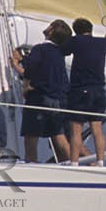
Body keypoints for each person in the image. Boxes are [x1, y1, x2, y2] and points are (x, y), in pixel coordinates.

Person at [12, 20, 71, 163]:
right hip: (58, 100)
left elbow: (30, 71)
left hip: (39, 99)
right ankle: (74, 164)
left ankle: (31, 165)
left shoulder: (40, 49)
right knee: (58, 135)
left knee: (31, 137)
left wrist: (16, 63)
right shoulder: (59, 53)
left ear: (51, 31)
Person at [62, 19, 106, 165]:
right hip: (99, 91)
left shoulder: (76, 41)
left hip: (80, 90)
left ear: (76, 30)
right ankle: (100, 161)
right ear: (91, 29)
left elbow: (63, 50)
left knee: (76, 129)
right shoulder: (102, 43)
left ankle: (74, 162)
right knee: (97, 128)